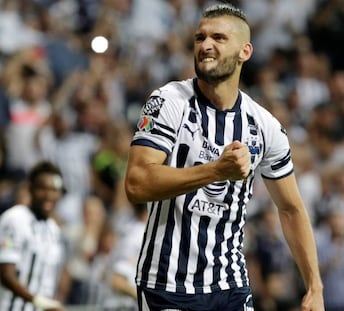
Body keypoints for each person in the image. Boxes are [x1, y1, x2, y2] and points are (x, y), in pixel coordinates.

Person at [124, 4, 325, 311]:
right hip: (167, 285)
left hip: (230, 286)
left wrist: (314, 286)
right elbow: (137, 184)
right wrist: (216, 171)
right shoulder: (168, 101)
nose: (205, 45)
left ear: (245, 51)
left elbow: (291, 209)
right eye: (199, 37)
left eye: (218, 38)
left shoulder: (264, 125)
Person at [0, 161, 67, 311]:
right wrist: (40, 302)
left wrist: (51, 303)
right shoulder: (15, 219)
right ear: (30, 189)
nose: (48, 195)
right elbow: (6, 274)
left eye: (54, 190)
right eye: (42, 188)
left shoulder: (54, 230)